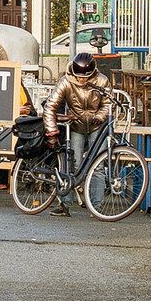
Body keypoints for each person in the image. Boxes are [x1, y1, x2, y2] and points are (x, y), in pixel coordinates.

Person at [44, 51, 112, 214]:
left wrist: (100, 116)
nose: (82, 80)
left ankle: (97, 206)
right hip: (75, 125)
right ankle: (65, 203)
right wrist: (52, 132)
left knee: (98, 166)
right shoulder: (66, 81)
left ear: (93, 73)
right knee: (72, 163)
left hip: (97, 125)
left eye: (85, 77)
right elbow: (50, 106)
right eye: (79, 77)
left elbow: (108, 103)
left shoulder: (102, 81)